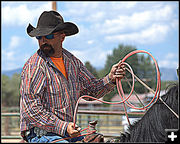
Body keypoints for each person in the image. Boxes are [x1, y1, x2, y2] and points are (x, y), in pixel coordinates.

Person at [20, 10, 126, 143]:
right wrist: (63, 126)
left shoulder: (73, 62)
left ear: (62, 37)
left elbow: (92, 90)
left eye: (49, 36)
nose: (43, 41)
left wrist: (110, 78)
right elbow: (30, 110)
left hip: (67, 133)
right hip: (40, 134)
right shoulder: (34, 67)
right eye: (39, 37)